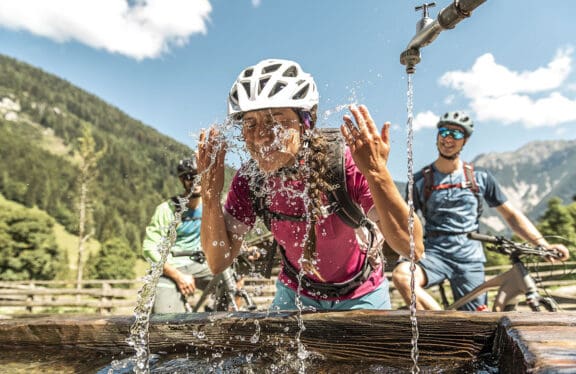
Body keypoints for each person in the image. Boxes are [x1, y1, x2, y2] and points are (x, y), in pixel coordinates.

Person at [197, 58, 424, 311]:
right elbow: (218, 261)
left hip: (361, 290)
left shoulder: (343, 163)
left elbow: (412, 248)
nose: (261, 134)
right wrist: (210, 195)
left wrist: (376, 172)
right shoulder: (250, 179)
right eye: (250, 123)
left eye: (276, 120)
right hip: (295, 291)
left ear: (305, 123)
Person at [392, 111, 571, 311]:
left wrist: (543, 244)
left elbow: (511, 216)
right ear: (437, 135)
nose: (448, 137)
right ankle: (442, 325)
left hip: (470, 257)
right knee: (402, 276)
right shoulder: (420, 181)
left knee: (477, 320)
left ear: (465, 140)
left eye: (457, 134)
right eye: (444, 131)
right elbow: (401, 221)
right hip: (434, 254)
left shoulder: (480, 178)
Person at [142, 157, 213, 313]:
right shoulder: (167, 209)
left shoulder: (211, 207)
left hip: (200, 264)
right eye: (190, 177)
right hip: (170, 267)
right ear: (182, 180)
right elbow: (149, 248)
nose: (195, 180)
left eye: (200, 175)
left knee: (233, 280)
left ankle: (219, 322)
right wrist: (178, 276)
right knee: (166, 321)